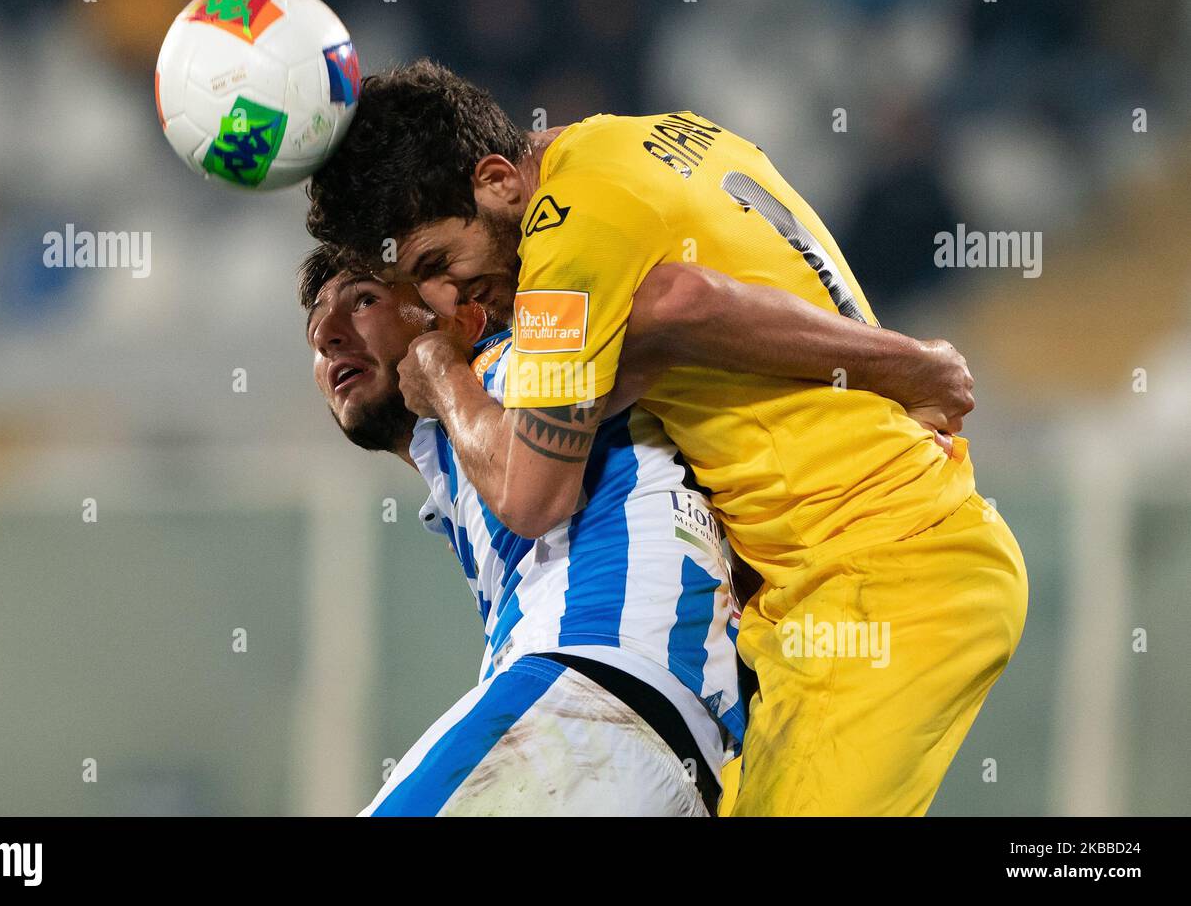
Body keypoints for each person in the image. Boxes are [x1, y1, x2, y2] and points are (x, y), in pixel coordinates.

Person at [305, 60, 1029, 815]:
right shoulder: (639, 145)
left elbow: (533, 493)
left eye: (439, 263)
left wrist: (441, 373)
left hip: (883, 568)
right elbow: (680, 306)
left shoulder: (568, 237)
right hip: (815, 590)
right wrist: (906, 362)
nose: (451, 296)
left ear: (496, 180)